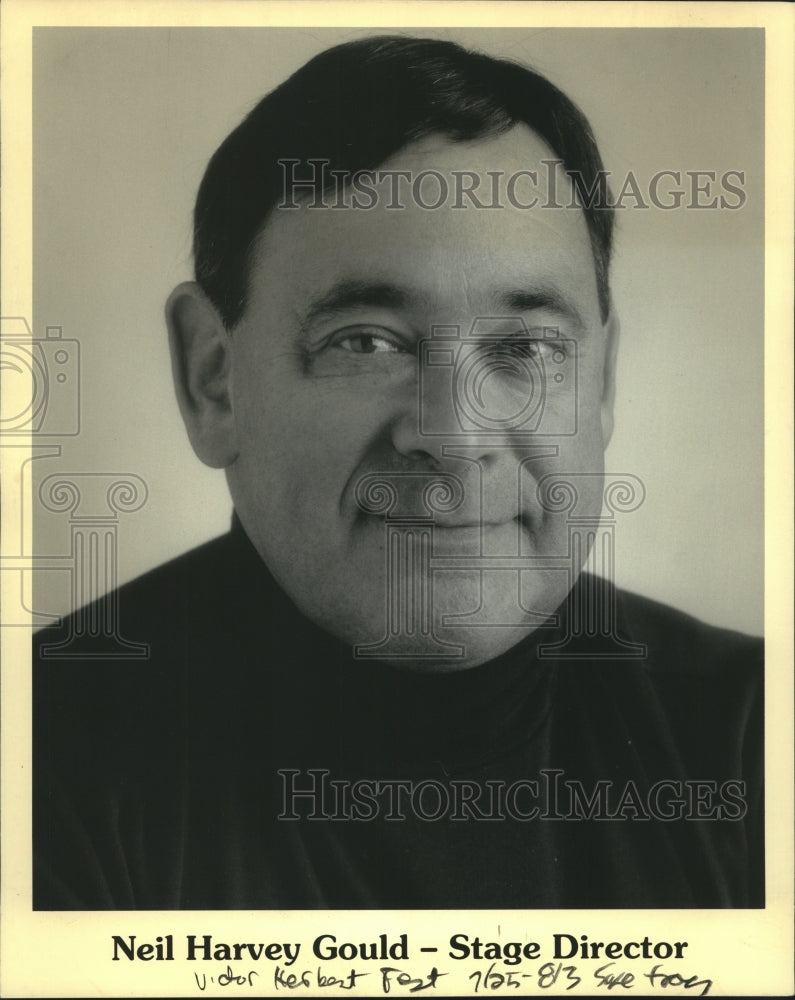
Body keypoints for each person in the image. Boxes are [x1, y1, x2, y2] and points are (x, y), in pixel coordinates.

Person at [33, 35, 763, 910]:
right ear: (213, 380)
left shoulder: (752, 734)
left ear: (600, 383)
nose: (454, 436)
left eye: (527, 347)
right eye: (366, 342)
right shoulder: (38, 761)